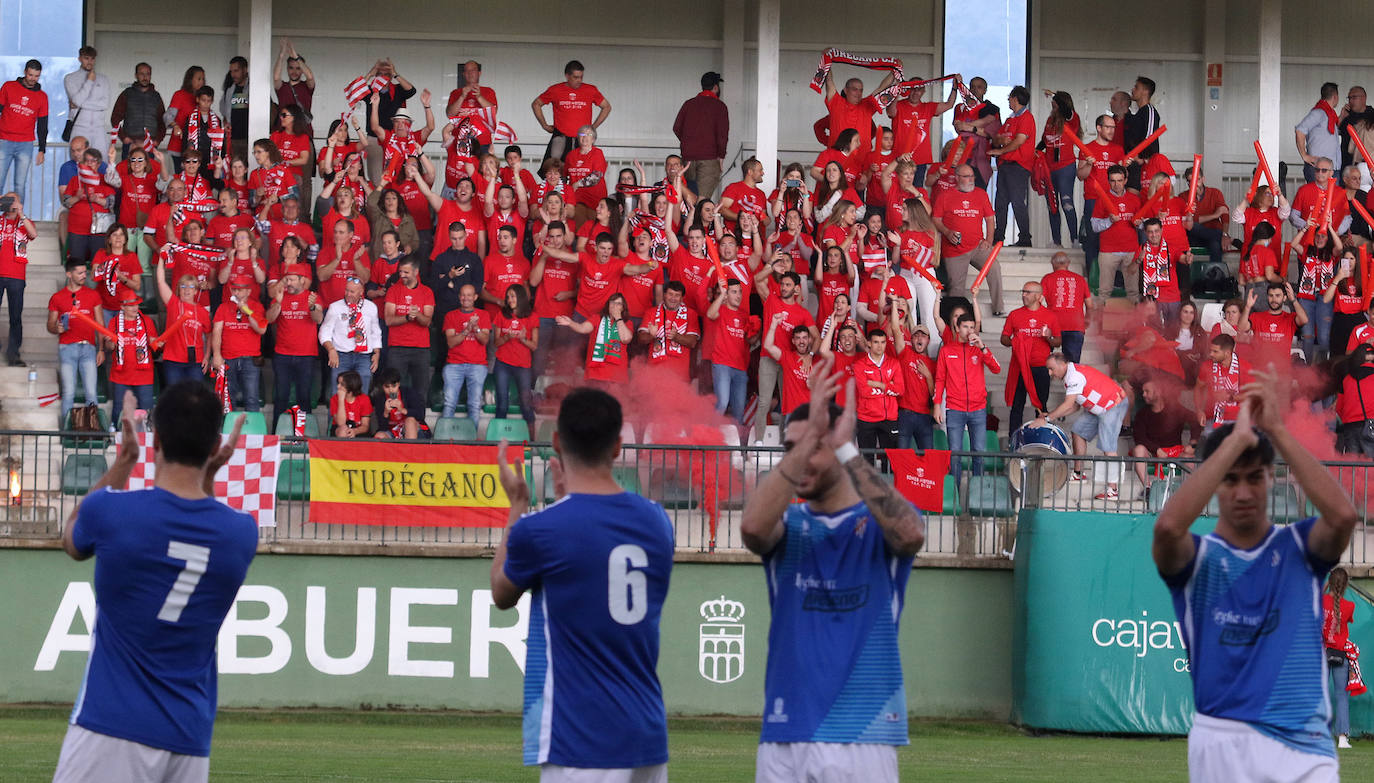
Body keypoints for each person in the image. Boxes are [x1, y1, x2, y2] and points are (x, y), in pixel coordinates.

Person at [1154, 367, 1357, 781]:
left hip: (1304, 743)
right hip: (1223, 739)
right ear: (1214, 483)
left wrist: (1277, 431)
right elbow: (1168, 529)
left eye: (1254, 477)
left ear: (1271, 478)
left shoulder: (1297, 547)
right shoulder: (1198, 560)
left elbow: (1342, 516)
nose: (1243, 492)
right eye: (1230, 479)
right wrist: (1236, 442)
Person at [51, 382, 254, 783]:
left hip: (110, 725)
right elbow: (202, 520)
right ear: (215, 446)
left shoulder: (113, 511)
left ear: (156, 438)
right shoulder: (241, 533)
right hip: (189, 736)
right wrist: (210, 474)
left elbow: (73, 539)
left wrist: (125, 459)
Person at [739, 358, 923, 783]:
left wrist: (845, 449)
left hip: (864, 734)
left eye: (811, 448)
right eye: (789, 448)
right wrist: (808, 442)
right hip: (784, 733)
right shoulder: (789, 529)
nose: (798, 459)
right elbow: (751, 529)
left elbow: (911, 534)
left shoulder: (879, 526)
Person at [489, 386, 672, 779]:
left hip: (579, 739)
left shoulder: (541, 529)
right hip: (647, 734)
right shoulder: (658, 522)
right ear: (619, 446)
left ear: (555, 442)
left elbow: (502, 593)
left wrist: (518, 506)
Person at [1031, 353, 1128, 501]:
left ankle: (1113, 489)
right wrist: (1049, 415)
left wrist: (1048, 419)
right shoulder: (1069, 375)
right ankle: (1078, 473)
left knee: (1108, 447)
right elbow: (1075, 406)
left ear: (1062, 364)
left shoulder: (1074, 376)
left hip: (1112, 404)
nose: (1050, 373)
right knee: (1078, 431)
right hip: (1097, 407)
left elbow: (1069, 404)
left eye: (1051, 369)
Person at [934, 313, 1000, 486]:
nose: (969, 331)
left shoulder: (979, 349)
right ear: (957, 328)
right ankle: (955, 495)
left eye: (972, 327)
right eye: (965, 327)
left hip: (978, 409)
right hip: (955, 409)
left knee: (979, 453)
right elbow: (940, 379)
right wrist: (936, 406)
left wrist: (983, 347)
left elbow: (996, 369)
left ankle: (977, 495)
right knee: (954, 454)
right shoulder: (947, 351)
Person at [932, 164, 1002, 313]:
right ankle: (956, 318)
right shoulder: (945, 195)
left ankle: (998, 308)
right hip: (954, 249)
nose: (971, 180)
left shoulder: (981, 194)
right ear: (957, 178)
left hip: (977, 246)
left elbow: (990, 218)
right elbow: (936, 219)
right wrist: (947, 232)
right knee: (956, 287)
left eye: (972, 176)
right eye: (966, 177)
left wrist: (989, 240)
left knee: (994, 267)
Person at [47, 259, 104, 421]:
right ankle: (67, 432)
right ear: (68, 274)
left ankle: (92, 431)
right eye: (79, 273)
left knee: (91, 392)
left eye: (85, 272)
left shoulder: (93, 295)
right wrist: (55, 328)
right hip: (67, 348)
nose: (84, 276)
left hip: (89, 348)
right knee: (68, 393)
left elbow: (100, 324)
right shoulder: (57, 297)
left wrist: (100, 349)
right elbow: (50, 324)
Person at [266, 264, 323, 422]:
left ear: (302, 280)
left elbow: (318, 319)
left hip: (306, 355)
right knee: (281, 396)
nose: (288, 283)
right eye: (286, 280)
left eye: (291, 280)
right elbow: (269, 319)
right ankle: (277, 435)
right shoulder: (280, 295)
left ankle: (305, 435)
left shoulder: (313, 297)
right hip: (282, 355)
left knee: (304, 396)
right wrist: (277, 303)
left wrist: (311, 306)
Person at [1002, 282, 1060, 434]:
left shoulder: (1050, 315)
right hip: (1020, 367)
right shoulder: (1015, 314)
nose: (1023, 295)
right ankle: (1013, 443)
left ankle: (1040, 437)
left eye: (1027, 292)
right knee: (1017, 406)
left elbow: (1058, 342)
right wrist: (1015, 341)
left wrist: (1049, 337)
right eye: (1023, 291)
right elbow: (1004, 339)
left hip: (1041, 367)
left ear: (1038, 296)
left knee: (1041, 406)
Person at [1128, 374, 1199, 494]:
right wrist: (1157, 450)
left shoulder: (1175, 409)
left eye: (1147, 391)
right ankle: (1148, 488)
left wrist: (1193, 443)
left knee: (1189, 456)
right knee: (1138, 449)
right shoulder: (1142, 414)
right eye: (1143, 391)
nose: (1143, 394)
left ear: (1159, 392)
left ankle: (1188, 492)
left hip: (1175, 452)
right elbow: (1139, 439)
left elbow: (1195, 422)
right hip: (1153, 453)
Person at [533, 60, 611, 163]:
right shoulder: (555, 90)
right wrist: (544, 125)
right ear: (567, 76)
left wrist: (593, 127)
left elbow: (606, 107)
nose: (579, 80)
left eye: (581, 77)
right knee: (553, 169)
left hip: (583, 138)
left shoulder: (590, 90)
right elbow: (536, 104)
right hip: (561, 137)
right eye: (575, 77)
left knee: (583, 169)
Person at [153, 252, 211, 387]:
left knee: (195, 398)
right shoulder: (173, 303)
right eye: (183, 286)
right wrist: (162, 257)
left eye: (191, 287)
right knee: (176, 397)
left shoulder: (202, 312)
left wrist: (207, 356)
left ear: (196, 291)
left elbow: (210, 335)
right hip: (173, 361)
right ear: (178, 290)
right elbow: (161, 281)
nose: (187, 290)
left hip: (195, 362)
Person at [821, 58, 899, 156]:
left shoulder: (867, 104)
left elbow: (881, 88)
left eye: (861, 90)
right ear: (845, 90)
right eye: (854, 89)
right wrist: (827, 59)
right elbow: (829, 81)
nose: (858, 93)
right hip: (837, 158)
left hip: (862, 159)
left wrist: (895, 70)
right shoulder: (836, 102)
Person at [989, 85, 1035, 247]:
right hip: (1005, 166)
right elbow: (996, 139)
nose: (1008, 99)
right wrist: (1000, 142)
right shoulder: (1010, 119)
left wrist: (1000, 151)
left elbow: (1019, 141)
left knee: (1017, 201)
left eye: (1010, 97)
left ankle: (1024, 238)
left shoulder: (1026, 118)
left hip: (1018, 165)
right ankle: (999, 237)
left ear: (1015, 98)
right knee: (1000, 202)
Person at [383, 257, 435, 397]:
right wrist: (406, 317)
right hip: (397, 348)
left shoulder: (427, 292)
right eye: (400, 272)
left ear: (416, 272)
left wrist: (417, 314)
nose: (402, 275)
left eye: (406, 272)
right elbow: (388, 319)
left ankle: (418, 419)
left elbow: (427, 321)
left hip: (421, 349)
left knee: (421, 392)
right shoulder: (393, 290)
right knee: (392, 391)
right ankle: (392, 417)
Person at [1090, 165, 1142, 303]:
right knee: (1104, 291)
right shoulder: (1102, 199)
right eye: (1113, 181)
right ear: (1108, 181)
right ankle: (1101, 322)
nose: (1116, 184)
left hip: (1130, 250)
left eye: (1119, 180)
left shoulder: (1134, 199)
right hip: (1108, 250)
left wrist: (1139, 223)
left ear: (1125, 180)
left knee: (1133, 291)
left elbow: (1144, 224)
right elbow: (1094, 226)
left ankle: (1134, 323)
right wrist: (1109, 221)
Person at [320, 277, 381, 394]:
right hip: (341, 355)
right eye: (346, 290)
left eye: (352, 292)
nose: (348, 294)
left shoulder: (371, 307)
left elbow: (376, 332)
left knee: (363, 391)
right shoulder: (335, 307)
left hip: (364, 356)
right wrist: (331, 349)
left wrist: (377, 352)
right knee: (338, 393)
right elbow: (325, 331)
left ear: (361, 292)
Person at [104, 290, 156, 425]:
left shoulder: (147, 322)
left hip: (144, 375)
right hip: (121, 375)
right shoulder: (114, 323)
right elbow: (109, 348)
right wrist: (110, 343)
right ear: (122, 307)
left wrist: (157, 343)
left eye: (136, 305)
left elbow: (156, 347)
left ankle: (147, 439)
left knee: (146, 411)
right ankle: (115, 436)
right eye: (131, 305)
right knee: (118, 410)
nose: (135, 308)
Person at [441, 283, 491, 425]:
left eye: (469, 295)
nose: (465, 298)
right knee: (449, 403)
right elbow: (451, 342)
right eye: (463, 295)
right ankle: (444, 440)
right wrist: (466, 329)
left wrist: (475, 328)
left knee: (474, 405)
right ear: (459, 297)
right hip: (454, 365)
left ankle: (472, 444)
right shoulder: (451, 315)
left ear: (475, 297)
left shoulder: (484, 315)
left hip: (477, 365)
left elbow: (485, 340)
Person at [673, 72, 728, 199]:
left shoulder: (689, 104)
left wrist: (689, 142)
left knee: (688, 197)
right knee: (701, 200)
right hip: (709, 159)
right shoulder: (720, 107)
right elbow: (722, 135)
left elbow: (676, 128)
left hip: (688, 159)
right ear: (715, 87)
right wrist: (721, 156)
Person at [491, 283, 538, 431]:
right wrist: (507, 337)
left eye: (513, 296)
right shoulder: (501, 314)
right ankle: (497, 444)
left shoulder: (532, 317)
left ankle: (532, 445)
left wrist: (523, 339)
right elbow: (496, 343)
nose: (509, 299)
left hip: (523, 366)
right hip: (503, 364)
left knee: (526, 405)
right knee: (502, 404)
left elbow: (534, 346)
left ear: (521, 297)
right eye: (508, 297)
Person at [0, 59, 48, 199]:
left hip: (25, 144)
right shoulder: (9, 86)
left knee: (20, 184)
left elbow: (43, 125)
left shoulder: (42, 97)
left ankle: (18, 219)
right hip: (4, 140)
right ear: (25, 72)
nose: (33, 79)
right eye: (30, 75)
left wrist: (42, 149)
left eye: (36, 76)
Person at [1039, 91, 1081, 248]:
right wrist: (1035, 152)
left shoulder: (1071, 119)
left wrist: (1055, 95)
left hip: (1065, 167)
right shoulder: (1050, 120)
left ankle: (1074, 240)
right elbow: (1044, 141)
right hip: (1050, 169)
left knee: (1066, 203)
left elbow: (1066, 110)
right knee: (1052, 205)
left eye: (1055, 103)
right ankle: (1056, 241)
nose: (1052, 105)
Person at [0, 191, 36, 365]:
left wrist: (21, 213)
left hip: (16, 276)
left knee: (15, 316)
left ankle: (13, 354)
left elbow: (33, 234)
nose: (9, 203)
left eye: (12, 200)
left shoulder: (23, 222)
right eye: (6, 199)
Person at [1324, 567, 1357, 750]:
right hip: (1340, 653)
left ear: (1329, 582)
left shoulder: (1319, 600)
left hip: (1320, 652)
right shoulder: (1349, 606)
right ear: (1345, 585)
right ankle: (1342, 738)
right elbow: (1347, 620)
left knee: (1318, 694)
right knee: (1342, 695)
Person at [1041, 251, 1090, 362]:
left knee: (1043, 357)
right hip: (1075, 325)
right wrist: (1088, 318)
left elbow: (1038, 301)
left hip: (1052, 324)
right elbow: (1090, 304)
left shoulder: (1047, 278)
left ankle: (1045, 378)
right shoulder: (1080, 279)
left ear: (1052, 263)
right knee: (1072, 365)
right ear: (1068, 263)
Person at [1198, 334, 1251, 433]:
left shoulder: (1245, 367)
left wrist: (1230, 397)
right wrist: (1199, 411)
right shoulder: (1207, 365)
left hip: (1236, 418)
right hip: (1212, 417)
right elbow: (1198, 388)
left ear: (1227, 353)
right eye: (1211, 351)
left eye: (1215, 351)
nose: (1211, 354)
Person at [445, 59, 498, 156]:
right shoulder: (455, 93)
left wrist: (479, 97)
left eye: (473, 70)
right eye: (467, 71)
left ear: (479, 73)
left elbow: (493, 111)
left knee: (483, 170)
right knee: (461, 170)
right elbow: (450, 114)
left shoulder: (488, 91)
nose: (470, 73)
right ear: (464, 74)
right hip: (461, 141)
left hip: (483, 141)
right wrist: (462, 96)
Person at [64, 46, 113, 148]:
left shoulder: (103, 79)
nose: (89, 61)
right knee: (78, 160)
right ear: (80, 59)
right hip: (79, 126)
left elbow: (105, 104)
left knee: (101, 160)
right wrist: (89, 81)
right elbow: (77, 100)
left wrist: (81, 103)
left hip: (98, 127)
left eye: (92, 58)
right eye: (86, 58)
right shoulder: (70, 78)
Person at [1297, 82, 1343, 184]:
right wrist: (1304, 155)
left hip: (1331, 169)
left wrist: (1342, 117)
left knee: (1331, 199)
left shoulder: (1330, 115)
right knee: (1317, 199)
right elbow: (1300, 130)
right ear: (1335, 97)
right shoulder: (1319, 113)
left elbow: (1329, 135)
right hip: (1319, 169)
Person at [1335, 344, 1374, 460]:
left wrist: (1349, 419)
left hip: (1350, 426)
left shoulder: (1347, 379)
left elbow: (1339, 407)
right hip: (1371, 424)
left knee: (1353, 469)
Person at [369, 366, 430, 439]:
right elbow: (382, 427)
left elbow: (421, 415)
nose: (391, 390)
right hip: (393, 431)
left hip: (413, 430)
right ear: (382, 387)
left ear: (399, 384)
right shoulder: (380, 399)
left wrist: (402, 410)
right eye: (387, 387)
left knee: (409, 420)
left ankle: (410, 449)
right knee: (379, 436)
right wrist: (386, 412)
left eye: (394, 386)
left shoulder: (409, 393)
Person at [272, 39, 315, 136]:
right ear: (287, 69)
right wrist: (281, 55)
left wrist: (295, 56)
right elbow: (276, 77)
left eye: (298, 68)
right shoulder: (283, 87)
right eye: (291, 68)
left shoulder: (306, 86)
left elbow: (310, 77)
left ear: (302, 70)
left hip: (303, 132)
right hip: (283, 133)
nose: (294, 72)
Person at [221, 57, 250, 162]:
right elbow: (224, 112)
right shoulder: (229, 89)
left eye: (236, 71)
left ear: (245, 69)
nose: (233, 74)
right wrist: (225, 123)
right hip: (232, 139)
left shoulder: (254, 87)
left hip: (249, 139)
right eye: (231, 71)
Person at [329, 370, 372, 438]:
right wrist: (341, 400)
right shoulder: (334, 399)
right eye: (338, 383)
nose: (338, 386)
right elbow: (341, 423)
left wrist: (355, 431)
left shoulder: (364, 399)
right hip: (339, 429)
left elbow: (365, 426)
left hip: (358, 429)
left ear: (351, 385)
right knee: (343, 431)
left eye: (342, 384)